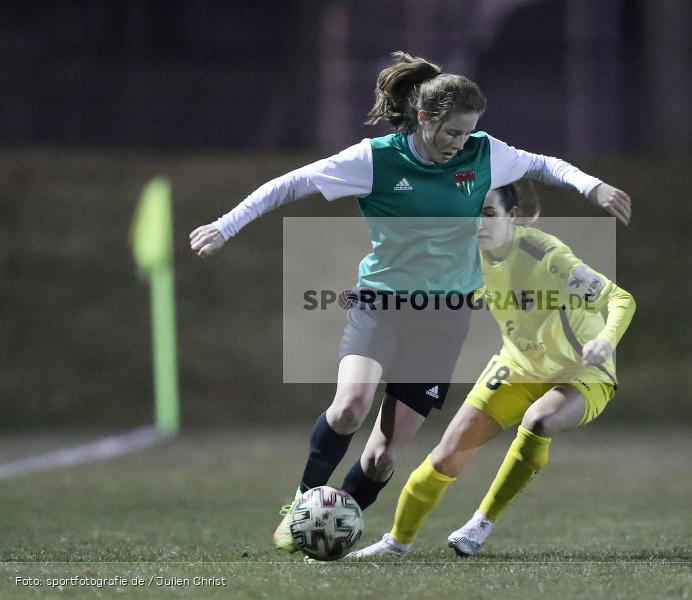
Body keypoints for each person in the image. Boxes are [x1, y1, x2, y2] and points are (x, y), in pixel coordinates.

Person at [188, 51, 632, 553]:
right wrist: (225, 226)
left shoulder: (483, 153)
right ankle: (302, 502)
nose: (459, 143)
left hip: (444, 320)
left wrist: (592, 187)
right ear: (424, 117)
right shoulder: (374, 159)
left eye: (467, 133)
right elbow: (292, 183)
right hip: (381, 304)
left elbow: (544, 164)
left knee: (381, 459)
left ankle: (327, 534)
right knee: (350, 408)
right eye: (450, 132)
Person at [347, 183, 635, 559]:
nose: (478, 223)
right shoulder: (465, 258)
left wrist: (606, 342)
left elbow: (619, 298)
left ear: (511, 217)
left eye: (488, 213)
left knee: (539, 420)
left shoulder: (544, 254)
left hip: (582, 371)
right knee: (446, 455)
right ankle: (395, 543)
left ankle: (481, 523)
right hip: (517, 366)